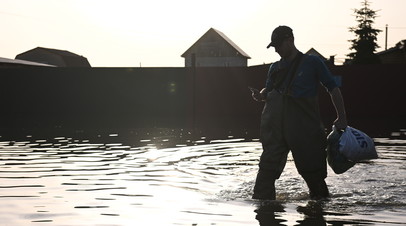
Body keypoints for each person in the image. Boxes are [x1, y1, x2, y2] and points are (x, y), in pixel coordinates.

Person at [250, 25, 347, 200]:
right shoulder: (275, 68)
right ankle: (264, 214)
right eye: (274, 47)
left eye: (279, 45)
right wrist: (261, 95)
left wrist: (342, 117)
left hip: (305, 131)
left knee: (314, 179)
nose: (277, 50)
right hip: (276, 131)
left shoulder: (312, 63)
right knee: (265, 176)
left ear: (290, 40)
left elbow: (333, 88)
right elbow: (269, 91)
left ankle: (319, 211)